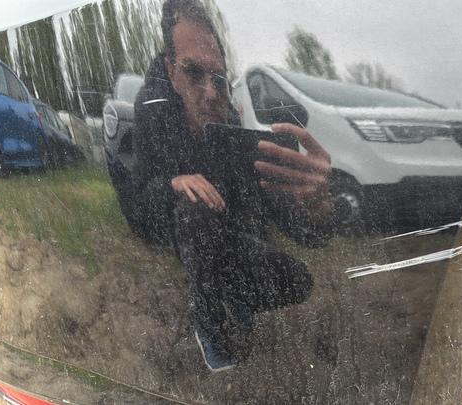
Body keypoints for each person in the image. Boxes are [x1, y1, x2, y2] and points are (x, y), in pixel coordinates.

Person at [125, 0, 333, 371]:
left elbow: (290, 221)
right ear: (171, 72)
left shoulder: (232, 130)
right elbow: (137, 207)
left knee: (300, 282)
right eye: (193, 73)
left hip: (229, 240)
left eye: (218, 79)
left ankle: (232, 294)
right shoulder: (154, 116)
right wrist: (175, 184)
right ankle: (210, 323)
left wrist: (317, 207)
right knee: (196, 203)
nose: (209, 92)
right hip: (186, 232)